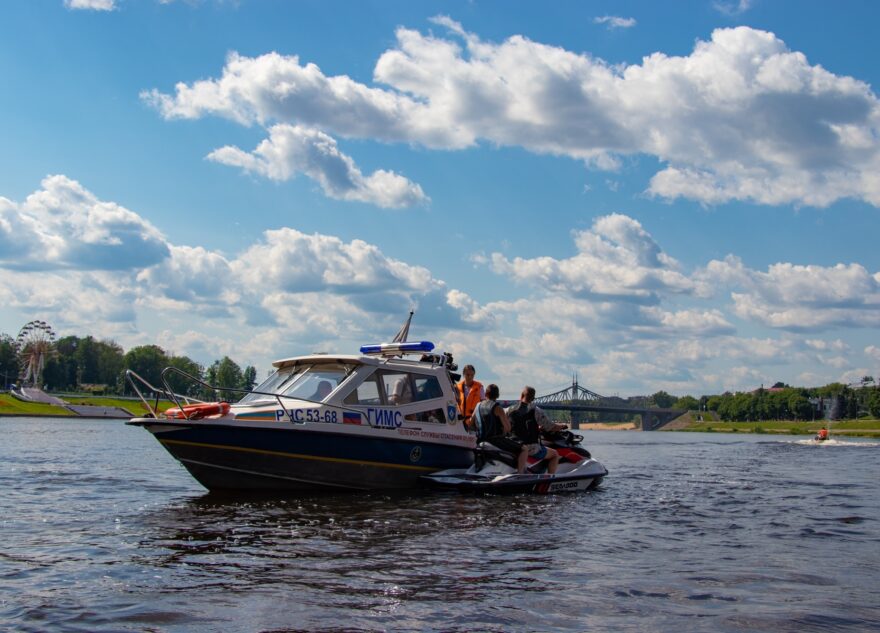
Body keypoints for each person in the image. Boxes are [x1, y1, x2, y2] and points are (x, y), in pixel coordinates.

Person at [473, 384, 530, 474]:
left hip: (480, 441)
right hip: (495, 441)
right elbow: (508, 428)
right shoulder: (497, 408)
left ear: (486, 394)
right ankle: (520, 474)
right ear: (498, 396)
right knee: (524, 449)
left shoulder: (477, 406)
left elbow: (471, 424)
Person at [506, 386, 562, 474]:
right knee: (555, 454)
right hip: (530, 447)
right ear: (533, 398)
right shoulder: (536, 410)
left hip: (513, 445)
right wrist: (562, 426)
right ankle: (550, 480)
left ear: (521, 396)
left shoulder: (509, 409)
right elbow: (551, 427)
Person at [456, 364, 485, 429]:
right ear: (463, 374)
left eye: (472, 375)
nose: (470, 377)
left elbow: (483, 404)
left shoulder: (479, 387)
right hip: (460, 421)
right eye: (467, 375)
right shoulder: (457, 387)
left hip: (474, 421)